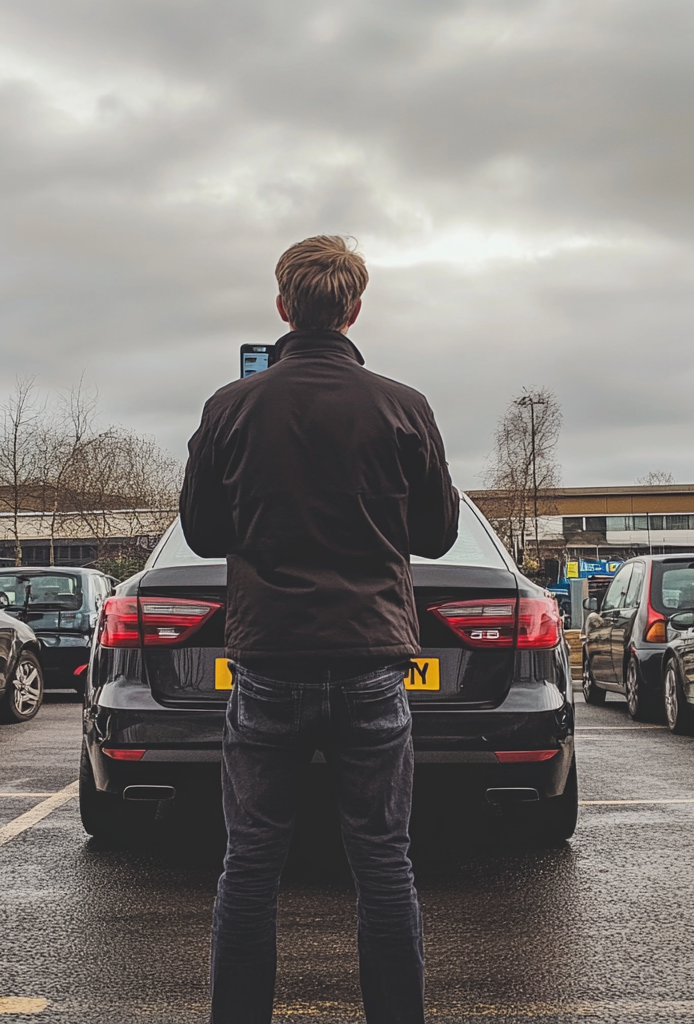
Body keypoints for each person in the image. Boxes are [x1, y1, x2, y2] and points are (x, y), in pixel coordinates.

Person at [180, 235, 459, 1024]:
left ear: (281, 308)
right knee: (382, 865)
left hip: (268, 660)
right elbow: (437, 533)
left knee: (251, 864)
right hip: (372, 658)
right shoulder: (403, 406)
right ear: (354, 309)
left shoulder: (230, 408)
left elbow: (202, 533)